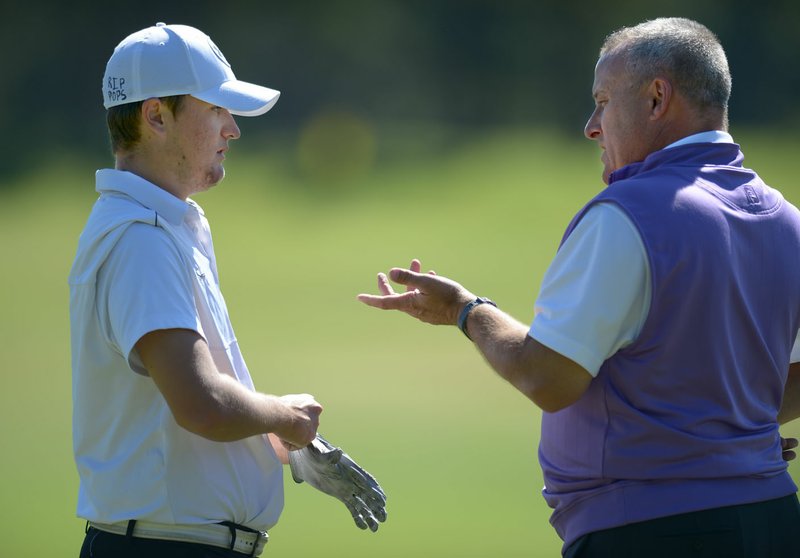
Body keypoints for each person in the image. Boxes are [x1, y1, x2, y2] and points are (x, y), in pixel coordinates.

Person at [358, 17, 800, 557]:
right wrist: (730, 440)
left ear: (657, 97)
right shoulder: (787, 220)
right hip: (774, 519)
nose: (592, 125)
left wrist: (466, 310)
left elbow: (548, 376)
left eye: (603, 100)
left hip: (652, 531)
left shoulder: (630, 213)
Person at [70, 23, 385, 558]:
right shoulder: (140, 239)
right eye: (216, 110)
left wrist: (283, 444)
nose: (232, 129)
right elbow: (202, 405)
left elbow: (187, 412)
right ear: (155, 116)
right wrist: (290, 420)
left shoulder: (167, 226)